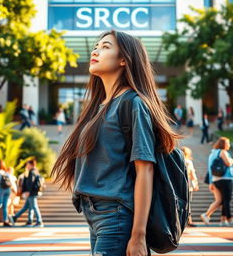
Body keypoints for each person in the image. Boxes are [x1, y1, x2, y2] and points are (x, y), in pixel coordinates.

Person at [51, 30, 181, 256]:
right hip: (95, 213)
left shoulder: (133, 104)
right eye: (96, 46)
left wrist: (138, 235)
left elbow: (145, 170)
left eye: (105, 47)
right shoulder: (98, 107)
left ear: (124, 59)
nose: (95, 50)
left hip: (116, 215)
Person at [201, 137, 233, 226]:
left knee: (222, 200)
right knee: (227, 199)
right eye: (228, 143)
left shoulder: (212, 154)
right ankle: (229, 219)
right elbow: (228, 163)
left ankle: (222, 220)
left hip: (215, 179)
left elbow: (210, 169)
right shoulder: (223, 152)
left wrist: (211, 182)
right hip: (226, 178)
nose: (229, 145)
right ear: (224, 144)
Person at [11, 159, 43, 227]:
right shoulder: (34, 171)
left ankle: (39, 221)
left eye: (27, 164)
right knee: (27, 207)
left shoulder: (32, 172)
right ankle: (27, 220)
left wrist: (28, 191)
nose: (26, 166)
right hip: (32, 192)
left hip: (31, 192)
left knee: (34, 206)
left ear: (31, 165)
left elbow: (30, 183)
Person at [181, 147, 199, 227]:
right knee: (188, 203)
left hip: (179, 185)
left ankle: (182, 220)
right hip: (188, 186)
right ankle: (189, 221)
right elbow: (192, 174)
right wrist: (195, 183)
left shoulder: (177, 160)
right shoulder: (188, 162)